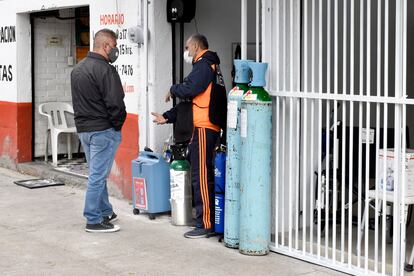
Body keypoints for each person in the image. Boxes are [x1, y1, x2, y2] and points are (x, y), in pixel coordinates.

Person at [152, 34, 222, 238]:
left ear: (196, 46)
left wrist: (173, 89)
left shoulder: (204, 64)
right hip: (202, 128)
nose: (186, 52)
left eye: (187, 47)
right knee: (200, 175)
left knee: (201, 177)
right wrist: (167, 117)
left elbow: (190, 89)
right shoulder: (210, 65)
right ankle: (204, 221)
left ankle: (205, 223)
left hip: (204, 128)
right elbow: (190, 104)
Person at [71, 29, 126, 233]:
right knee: (97, 176)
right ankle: (93, 219)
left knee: (97, 173)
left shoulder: (77, 69)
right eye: (114, 46)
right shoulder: (106, 70)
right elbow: (116, 104)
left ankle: (105, 211)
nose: (115, 50)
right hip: (103, 130)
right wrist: (116, 126)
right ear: (106, 46)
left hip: (84, 130)